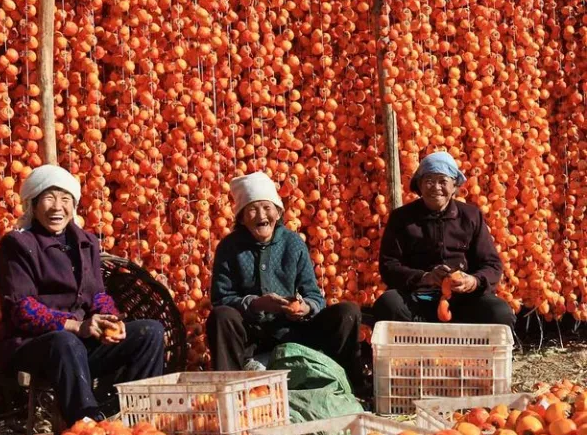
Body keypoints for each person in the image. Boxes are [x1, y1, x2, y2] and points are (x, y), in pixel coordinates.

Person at [0, 165, 164, 424]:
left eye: (65, 199)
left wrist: (110, 319)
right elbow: (21, 309)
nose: (57, 207)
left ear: (73, 205)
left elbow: (96, 294)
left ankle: (131, 415)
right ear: (34, 204)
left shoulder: (86, 242)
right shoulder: (17, 245)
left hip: (79, 347)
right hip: (34, 348)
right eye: (48, 198)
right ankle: (86, 424)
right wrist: (76, 326)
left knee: (149, 332)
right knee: (65, 341)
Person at [206, 171, 365, 391]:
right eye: (252, 209)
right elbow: (221, 298)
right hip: (253, 335)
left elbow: (313, 295)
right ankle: (230, 392)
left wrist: (304, 307)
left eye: (267, 207)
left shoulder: (293, 243)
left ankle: (350, 388)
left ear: (278, 211)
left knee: (348, 311)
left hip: (294, 332)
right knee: (221, 316)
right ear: (241, 217)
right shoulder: (229, 248)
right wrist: (256, 304)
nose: (261, 215)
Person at [372, 152, 515, 327]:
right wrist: (425, 277)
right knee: (388, 305)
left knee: (499, 313)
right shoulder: (402, 218)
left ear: (455, 185)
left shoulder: (470, 216)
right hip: (416, 298)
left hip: (463, 301)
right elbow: (389, 265)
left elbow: (492, 264)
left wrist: (473, 281)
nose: (436, 187)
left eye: (442, 181)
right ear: (419, 185)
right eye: (429, 181)